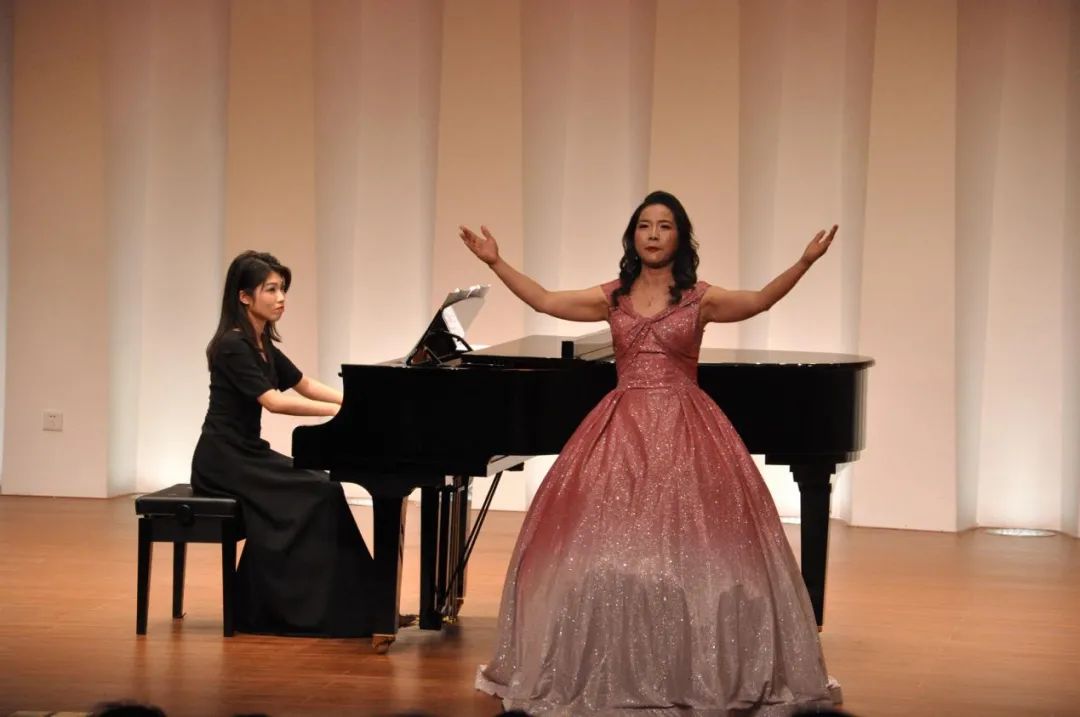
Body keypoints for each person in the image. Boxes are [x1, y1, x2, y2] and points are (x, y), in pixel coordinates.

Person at [460, 191, 842, 715]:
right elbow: (545, 301)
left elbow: (758, 301)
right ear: (633, 236)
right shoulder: (613, 296)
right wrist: (496, 262)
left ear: (680, 237)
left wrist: (803, 262)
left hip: (688, 429)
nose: (654, 234)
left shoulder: (700, 298)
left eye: (665, 225)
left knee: (689, 552)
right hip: (622, 430)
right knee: (611, 548)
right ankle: (616, 661)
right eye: (645, 225)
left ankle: (688, 664)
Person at [191, 250, 373, 636]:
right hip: (223, 460)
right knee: (321, 490)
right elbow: (273, 402)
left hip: (246, 453)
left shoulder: (262, 344)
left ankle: (359, 606)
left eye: (283, 289)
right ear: (244, 296)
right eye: (271, 289)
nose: (281, 298)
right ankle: (296, 610)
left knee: (325, 486)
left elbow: (304, 384)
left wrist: (353, 402)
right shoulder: (232, 344)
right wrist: (340, 412)